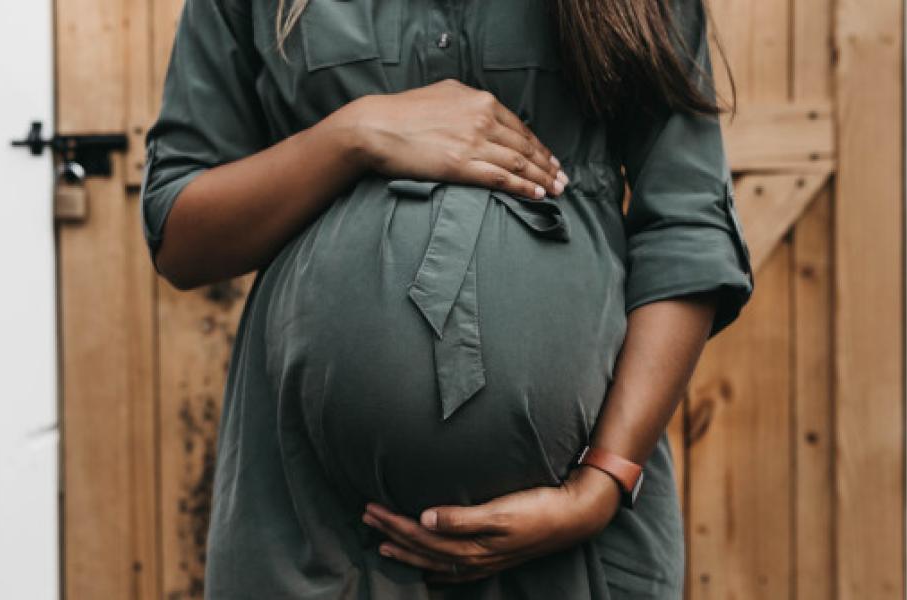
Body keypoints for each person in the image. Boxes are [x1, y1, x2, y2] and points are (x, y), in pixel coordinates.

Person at [139, 0, 754, 597]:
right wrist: (353, 135)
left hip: (575, 547)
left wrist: (602, 483)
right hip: (315, 537)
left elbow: (687, 225)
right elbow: (181, 237)